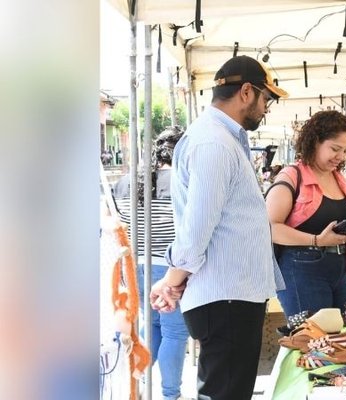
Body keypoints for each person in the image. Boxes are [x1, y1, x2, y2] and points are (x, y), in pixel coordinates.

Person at [149, 55, 287, 400]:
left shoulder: (218, 139)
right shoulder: (213, 142)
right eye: (265, 99)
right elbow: (197, 230)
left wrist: (174, 277)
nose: (266, 109)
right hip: (226, 297)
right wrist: (173, 278)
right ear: (245, 92)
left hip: (231, 295)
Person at [115, 127, 190, 400]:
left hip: (135, 267)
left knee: (154, 326)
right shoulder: (183, 180)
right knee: (175, 333)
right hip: (170, 268)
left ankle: (140, 383)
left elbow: (120, 226)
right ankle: (171, 395)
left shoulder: (126, 182)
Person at [265, 110, 346, 317]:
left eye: (345, 150)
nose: (341, 157)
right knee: (313, 342)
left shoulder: (338, 178)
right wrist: (317, 240)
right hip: (301, 269)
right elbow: (270, 227)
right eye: (335, 148)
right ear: (315, 142)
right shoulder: (291, 176)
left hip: (339, 268)